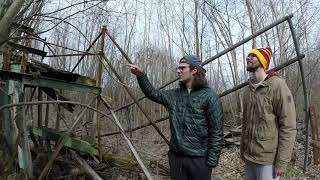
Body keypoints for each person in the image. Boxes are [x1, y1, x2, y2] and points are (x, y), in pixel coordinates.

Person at [128, 55, 224, 180]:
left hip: (199, 159)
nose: (178, 71)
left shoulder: (210, 97)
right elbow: (153, 93)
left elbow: (216, 132)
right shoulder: (174, 95)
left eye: (182, 68)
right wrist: (141, 76)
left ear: (194, 70)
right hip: (176, 158)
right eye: (178, 68)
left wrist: (211, 162)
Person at [240, 47, 297, 180]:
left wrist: (281, 163)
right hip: (249, 158)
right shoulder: (248, 90)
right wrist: (243, 151)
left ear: (262, 60)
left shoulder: (278, 86)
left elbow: (288, 127)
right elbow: (245, 123)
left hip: (268, 161)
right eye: (248, 55)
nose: (248, 58)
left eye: (253, 56)